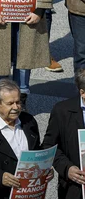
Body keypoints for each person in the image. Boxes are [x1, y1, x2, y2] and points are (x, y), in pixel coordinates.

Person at [42, 68, 85, 199]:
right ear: (82, 93)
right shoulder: (62, 111)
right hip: (74, 188)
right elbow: (49, 146)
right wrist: (67, 168)